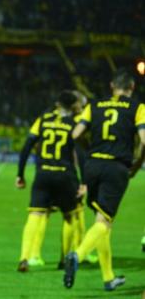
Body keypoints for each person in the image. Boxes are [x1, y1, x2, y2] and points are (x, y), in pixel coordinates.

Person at [63, 70, 145, 291]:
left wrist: (90, 152)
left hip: (93, 166)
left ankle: (108, 279)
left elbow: (75, 134)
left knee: (101, 221)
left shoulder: (94, 106)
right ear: (131, 88)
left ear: (112, 86)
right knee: (104, 222)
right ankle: (77, 256)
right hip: (115, 167)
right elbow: (144, 140)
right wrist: (137, 165)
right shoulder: (137, 108)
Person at [15, 91, 83, 272]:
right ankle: (63, 259)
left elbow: (27, 146)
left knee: (35, 215)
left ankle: (24, 258)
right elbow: (81, 154)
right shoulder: (74, 124)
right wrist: (84, 181)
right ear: (74, 106)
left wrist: (20, 174)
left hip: (43, 174)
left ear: (57, 103)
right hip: (65, 175)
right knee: (69, 216)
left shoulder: (43, 120)